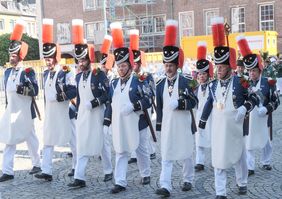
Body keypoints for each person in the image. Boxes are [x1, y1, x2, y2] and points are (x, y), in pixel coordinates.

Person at [198, 17, 259, 199]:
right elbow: (209, 102)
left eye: (222, 67)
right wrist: (202, 121)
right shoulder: (213, 84)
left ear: (229, 67)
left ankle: (242, 182)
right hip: (218, 128)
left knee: (239, 157)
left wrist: (245, 108)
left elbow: (255, 96)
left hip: (235, 127)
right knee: (219, 159)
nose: (218, 70)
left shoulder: (241, 81)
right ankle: (221, 192)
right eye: (217, 66)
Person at [104, 22, 152, 194]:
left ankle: (145, 173)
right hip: (119, 123)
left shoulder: (140, 80)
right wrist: (106, 122)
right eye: (119, 65)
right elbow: (110, 103)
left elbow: (148, 99)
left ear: (130, 66)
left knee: (140, 149)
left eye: (124, 65)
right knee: (121, 150)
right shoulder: (114, 82)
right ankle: (120, 181)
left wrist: (133, 106)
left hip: (138, 122)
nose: (121, 68)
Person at [155, 20, 198, 197]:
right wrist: (158, 125)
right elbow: (159, 106)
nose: (168, 68)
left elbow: (194, 102)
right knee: (166, 154)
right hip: (167, 124)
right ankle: (165, 185)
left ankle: (188, 179)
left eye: (171, 66)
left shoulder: (187, 81)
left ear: (177, 66)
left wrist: (180, 104)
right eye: (166, 65)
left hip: (184, 123)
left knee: (186, 152)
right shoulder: (159, 84)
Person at [67, 19, 110, 188]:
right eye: (78, 60)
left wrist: (93, 103)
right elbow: (78, 95)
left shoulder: (98, 74)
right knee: (82, 143)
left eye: (83, 60)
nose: (80, 63)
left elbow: (107, 95)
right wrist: (76, 108)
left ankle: (108, 170)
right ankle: (80, 177)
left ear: (88, 59)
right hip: (83, 115)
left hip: (97, 113)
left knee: (101, 143)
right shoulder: (77, 77)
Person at [35, 18, 76, 181]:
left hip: (67, 111)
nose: (48, 61)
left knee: (74, 141)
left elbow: (73, 90)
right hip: (52, 114)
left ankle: (76, 167)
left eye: (50, 58)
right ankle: (47, 171)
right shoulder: (45, 73)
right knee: (48, 140)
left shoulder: (66, 71)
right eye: (46, 58)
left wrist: (59, 97)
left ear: (56, 58)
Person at [0, 19, 41, 182]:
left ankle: (37, 163)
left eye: (14, 55)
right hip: (12, 112)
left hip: (25, 112)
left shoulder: (28, 71)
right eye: (11, 55)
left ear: (20, 56)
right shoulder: (7, 73)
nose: (12, 57)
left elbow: (35, 90)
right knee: (10, 140)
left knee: (31, 138)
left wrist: (22, 89)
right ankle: (8, 171)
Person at [237, 35, 280, 176]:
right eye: (249, 71)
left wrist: (267, 109)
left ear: (259, 70)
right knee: (249, 142)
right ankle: (250, 166)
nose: (251, 74)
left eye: (254, 71)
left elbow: (276, 101)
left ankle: (266, 161)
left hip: (264, 117)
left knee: (266, 141)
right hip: (250, 117)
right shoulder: (245, 83)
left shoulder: (268, 82)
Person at [128, 29, 156, 164]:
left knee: (146, 130)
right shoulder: (129, 76)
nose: (133, 66)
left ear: (139, 63)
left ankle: (151, 151)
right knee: (133, 129)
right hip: (132, 106)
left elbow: (152, 90)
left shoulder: (147, 75)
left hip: (145, 103)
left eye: (135, 63)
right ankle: (134, 154)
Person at [194, 41, 213, 172]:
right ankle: (199, 162)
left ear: (208, 75)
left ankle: (216, 159)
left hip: (211, 117)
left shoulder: (213, 86)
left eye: (204, 74)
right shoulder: (195, 87)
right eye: (199, 74)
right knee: (199, 138)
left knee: (213, 137)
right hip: (198, 115)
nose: (201, 76)